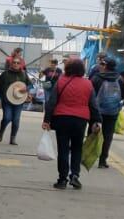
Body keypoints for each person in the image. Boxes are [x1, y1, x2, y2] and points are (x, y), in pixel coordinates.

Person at [42, 57, 99, 189]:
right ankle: (75, 175)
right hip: (81, 120)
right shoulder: (88, 84)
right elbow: (93, 105)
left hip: (62, 118)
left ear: (67, 69)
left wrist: (47, 120)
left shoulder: (61, 82)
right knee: (77, 148)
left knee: (63, 149)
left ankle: (62, 179)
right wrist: (97, 121)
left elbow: (51, 102)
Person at [88, 56, 124, 168]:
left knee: (92, 133)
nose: (100, 66)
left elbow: (89, 94)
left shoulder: (96, 78)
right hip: (112, 112)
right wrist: (118, 107)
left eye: (102, 64)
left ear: (105, 66)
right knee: (108, 136)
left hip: (96, 111)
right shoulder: (119, 79)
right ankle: (103, 160)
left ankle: (87, 156)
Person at [0, 55, 32, 144]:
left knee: (16, 119)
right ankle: (1, 131)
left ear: (21, 64)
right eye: (14, 62)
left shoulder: (24, 74)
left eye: (18, 63)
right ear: (11, 63)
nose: (16, 64)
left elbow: (30, 85)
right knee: (7, 117)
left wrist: (26, 89)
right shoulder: (5, 74)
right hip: (6, 100)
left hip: (19, 100)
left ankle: (13, 138)